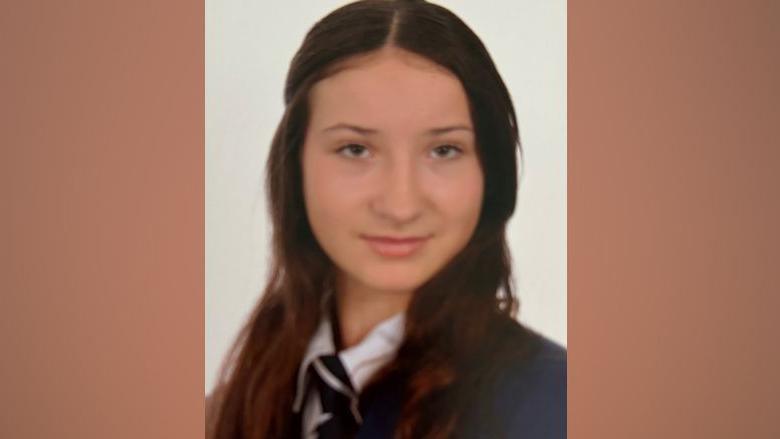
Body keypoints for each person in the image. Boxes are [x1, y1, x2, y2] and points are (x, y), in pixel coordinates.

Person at [206, 1, 566, 438]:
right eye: (355, 149)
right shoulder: (228, 411)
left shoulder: (552, 407)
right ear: (295, 163)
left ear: (491, 173)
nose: (400, 205)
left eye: (444, 150)